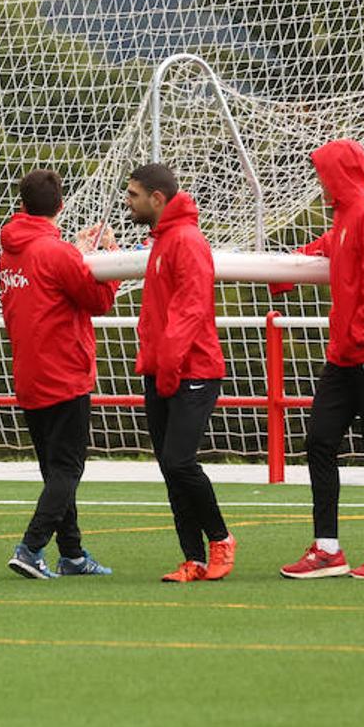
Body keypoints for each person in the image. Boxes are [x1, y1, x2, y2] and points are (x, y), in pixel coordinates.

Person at [275, 140, 364, 579]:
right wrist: (288, 271)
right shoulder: (347, 215)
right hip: (346, 358)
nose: (318, 182)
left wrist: (356, 337)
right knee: (319, 442)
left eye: (322, 173)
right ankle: (328, 548)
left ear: (338, 174)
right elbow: (328, 246)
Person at [0, 168, 119, 579]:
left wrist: (80, 252)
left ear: (21, 204)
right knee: (68, 469)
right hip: (64, 371)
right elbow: (98, 299)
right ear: (61, 205)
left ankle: (72, 554)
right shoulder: (56, 252)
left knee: (54, 469)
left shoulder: (11, 249)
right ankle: (31, 547)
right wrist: (107, 259)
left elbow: (56, 274)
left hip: (29, 372)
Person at [127, 163, 235, 582]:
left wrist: (169, 367)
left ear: (157, 198)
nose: (128, 201)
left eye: (134, 194)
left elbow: (190, 310)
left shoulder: (187, 241)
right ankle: (193, 558)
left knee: (180, 461)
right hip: (161, 370)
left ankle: (221, 539)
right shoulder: (163, 240)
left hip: (193, 370)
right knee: (170, 468)